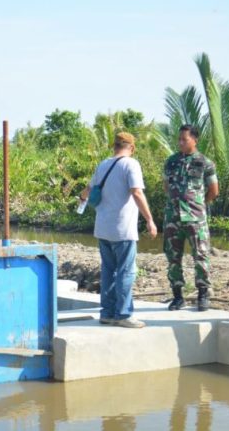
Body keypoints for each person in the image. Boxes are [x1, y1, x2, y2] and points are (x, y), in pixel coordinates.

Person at [79, 132, 157, 328]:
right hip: (122, 229)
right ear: (132, 147)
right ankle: (123, 315)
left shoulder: (103, 164)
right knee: (126, 272)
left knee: (108, 271)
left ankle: (107, 313)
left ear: (114, 146)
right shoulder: (131, 164)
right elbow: (137, 192)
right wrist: (150, 219)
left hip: (103, 228)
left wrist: (81, 201)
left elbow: (86, 191)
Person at [163, 125, 219, 311]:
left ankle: (203, 294)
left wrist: (198, 205)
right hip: (173, 217)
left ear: (195, 140)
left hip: (195, 217)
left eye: (184, 139)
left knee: (201, 256)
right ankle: (178, 296)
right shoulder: (171, 161)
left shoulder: (205, 162)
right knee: (173, 257)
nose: (180, 142)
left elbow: (213, 190)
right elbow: (166, 186)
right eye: (179, 139)